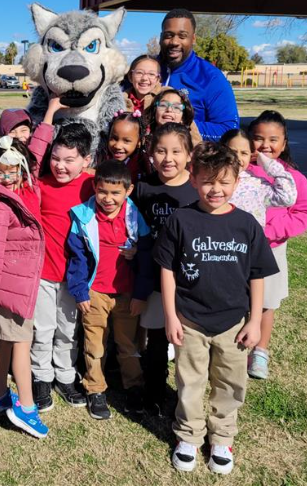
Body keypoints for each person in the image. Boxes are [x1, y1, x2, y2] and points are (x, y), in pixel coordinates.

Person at [157, 142, 278, 474]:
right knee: (190, 382)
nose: (216, 189)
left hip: (233, 324)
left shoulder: (247, 225)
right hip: (190, 320)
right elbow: (166, 269)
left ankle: (222, 437)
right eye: (208, 181)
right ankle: (189, 437)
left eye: (224, 182)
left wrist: (254, 321)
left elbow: (257, 275)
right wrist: (171, 315)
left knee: (230, 383)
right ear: (193, 179)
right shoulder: (181, 220)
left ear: (236, 182)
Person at [66, 160, 153, 420]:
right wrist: (80, 290)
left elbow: (148, 256)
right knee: (95, 344)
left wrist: (140, 292)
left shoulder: (136, 217)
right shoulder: (83, 217)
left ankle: (134, 387)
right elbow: (76, 256)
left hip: (127, 293)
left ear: (128, 190)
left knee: (128, 344)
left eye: (115, 193)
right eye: (102, 191)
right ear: (94, 187)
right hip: (95, 293)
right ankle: (95, 388)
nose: (108, 198)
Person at [0, 136, 49, 439]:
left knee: (7, 341)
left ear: (22, 169)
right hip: (10, 284)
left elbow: (35, 151)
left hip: (21, 281)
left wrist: (49, 112)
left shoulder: (27, 189)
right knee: (21, 342)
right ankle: (26, 405)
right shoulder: (0, 204)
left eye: (11, 171)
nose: (5, 178)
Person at [28, 119, 94, 412]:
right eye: (55, 158)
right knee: (42, 328)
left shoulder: (93, 187)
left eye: (69, 160)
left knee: (68, 329)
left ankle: (65, 375)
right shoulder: (40, 185)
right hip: (42, 273)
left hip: (75, 278)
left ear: (86, 161)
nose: (60, 166)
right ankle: (41, 376)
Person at [133, 123, 199, 415]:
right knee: (157, 339)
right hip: (157, 281)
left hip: (190, 281)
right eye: (160, 150)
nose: (168, 158)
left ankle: (188, 397)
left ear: (189, 154)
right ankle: (155, 392)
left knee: (189, 343)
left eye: (176, 151)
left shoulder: (197, 189)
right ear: (150, 152)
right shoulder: (143, 187)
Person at [246, 111, 307, 379]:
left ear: (284, 144)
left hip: (271, 249)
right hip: (237, 248)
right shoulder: (238, 169)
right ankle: (235, 346)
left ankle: (260, 352)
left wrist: (271, 232)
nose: (265, 145)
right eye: (258, 138)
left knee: (266, 302)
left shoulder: (292, 177)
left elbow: (306, 212)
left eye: (273, 140)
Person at [157, 9, 239, 141]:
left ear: (193, 38)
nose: (174, 42)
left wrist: (180, 125)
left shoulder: (211, 77)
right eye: (168, 35)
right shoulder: (145, 71)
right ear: (161, 37)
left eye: (182, 36)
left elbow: (229, 130)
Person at [220, 128, 297, 227]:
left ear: (251, 155)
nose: (238, 158)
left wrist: (267, 162)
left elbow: (287, 198)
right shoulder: (211, 180)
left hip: (249, 241)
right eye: (232, 152)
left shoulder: (258, 185)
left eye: (244, 153)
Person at [98, 109, 149, 184]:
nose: (118, 146)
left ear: (139, 142)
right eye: (114, 138)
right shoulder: (102, 159)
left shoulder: (141, 168)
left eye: (126, 141)